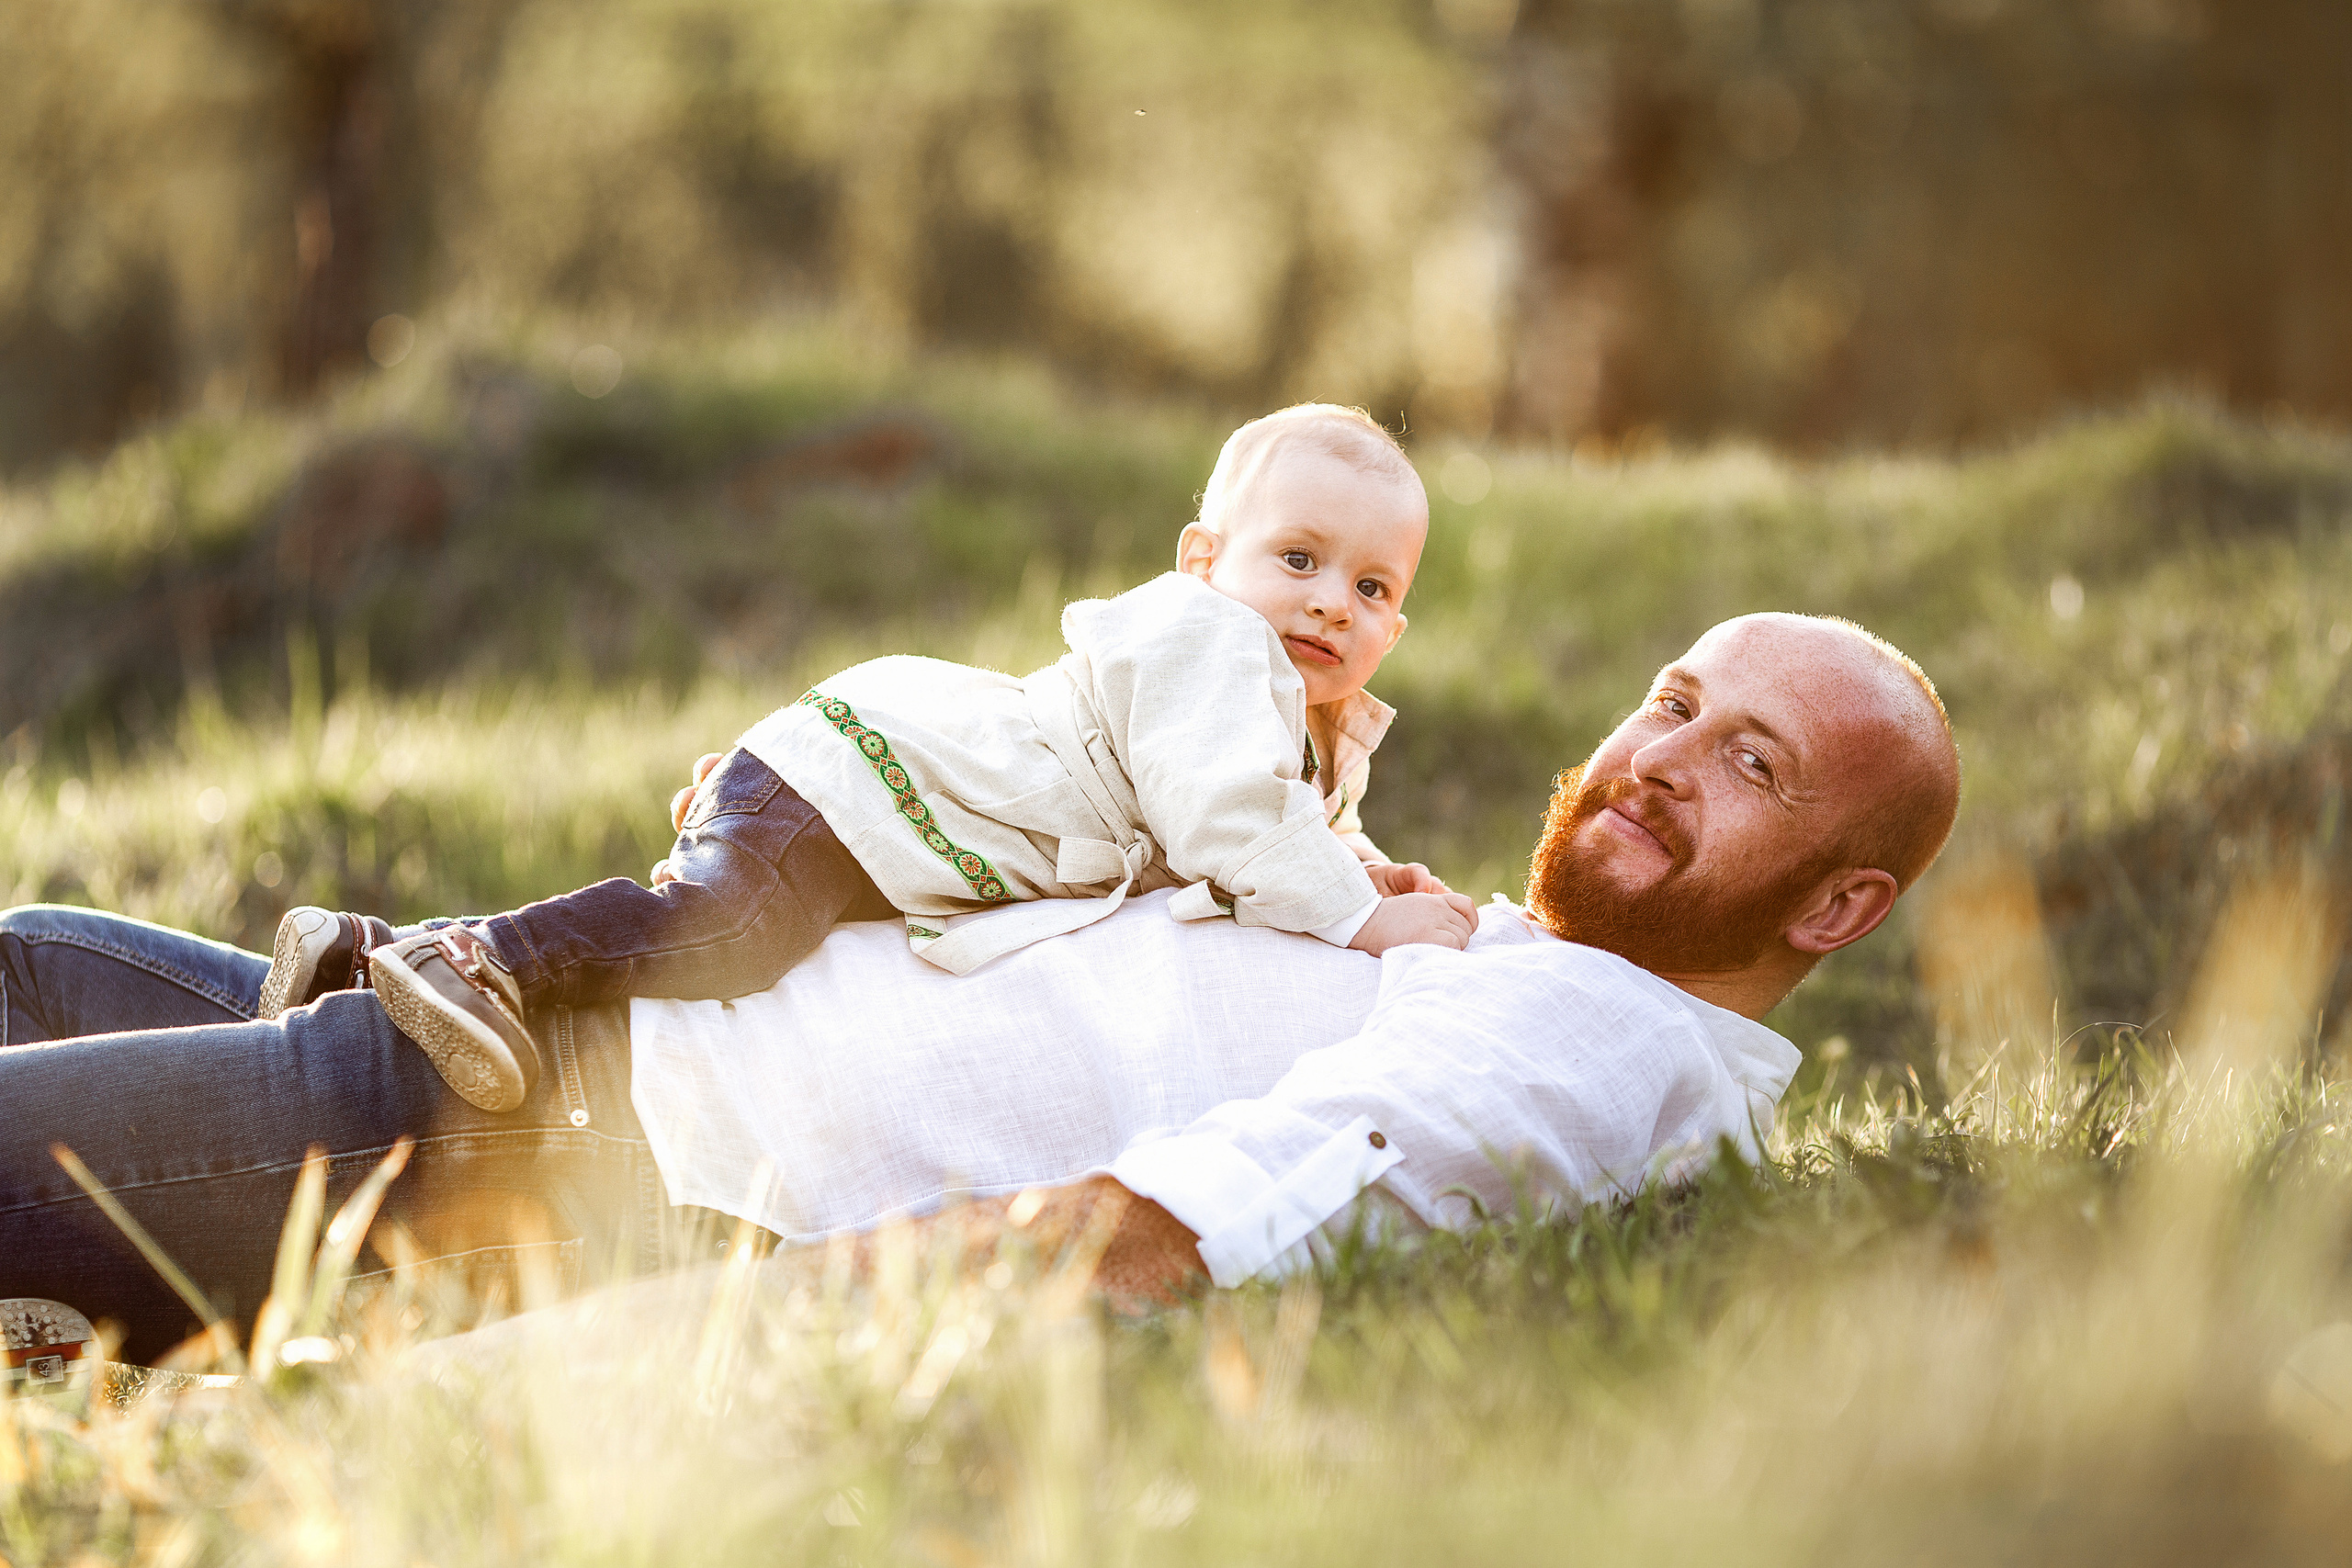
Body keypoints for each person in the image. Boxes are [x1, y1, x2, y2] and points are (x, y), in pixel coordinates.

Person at [0, 613, 1960, 1361]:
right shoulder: (1491, 953)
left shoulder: (1597, 1052)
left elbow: (1146, 1235)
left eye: (1752, 764)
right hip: (538, 1041)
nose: (1660, 759)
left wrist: (472, 1387)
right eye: (1672, 702)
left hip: (568, 1143)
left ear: (1844, 901)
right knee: (27, 954)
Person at [266, 403, 1475, 1116]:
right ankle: (482, 958)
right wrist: (1360, 921)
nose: (1332, 603)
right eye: (1299, 559)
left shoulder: (1308, 724)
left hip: (884, 821)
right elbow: (1228, 821)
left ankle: (360, 956)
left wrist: (1367, 875)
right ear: (1205, 560)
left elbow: (1292, 826)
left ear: (1398, 626)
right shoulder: (1208, 642)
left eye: (1372, 587)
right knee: (728, 938)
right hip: (860, 784)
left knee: (739, 941)